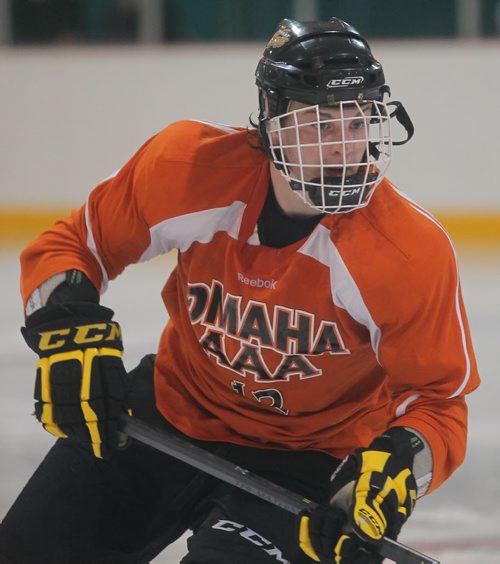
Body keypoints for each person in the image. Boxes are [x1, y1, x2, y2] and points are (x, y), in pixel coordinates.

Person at [0, 16, 479, 564]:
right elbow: (73, 245)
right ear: (272, 124)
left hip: (312, 456)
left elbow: (438, 400)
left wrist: (395, 468)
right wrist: (66, 325)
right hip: (171, 410)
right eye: (320, 125)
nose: (347, 148)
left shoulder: (405, 251)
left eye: (357, 122)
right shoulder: (189, 168)